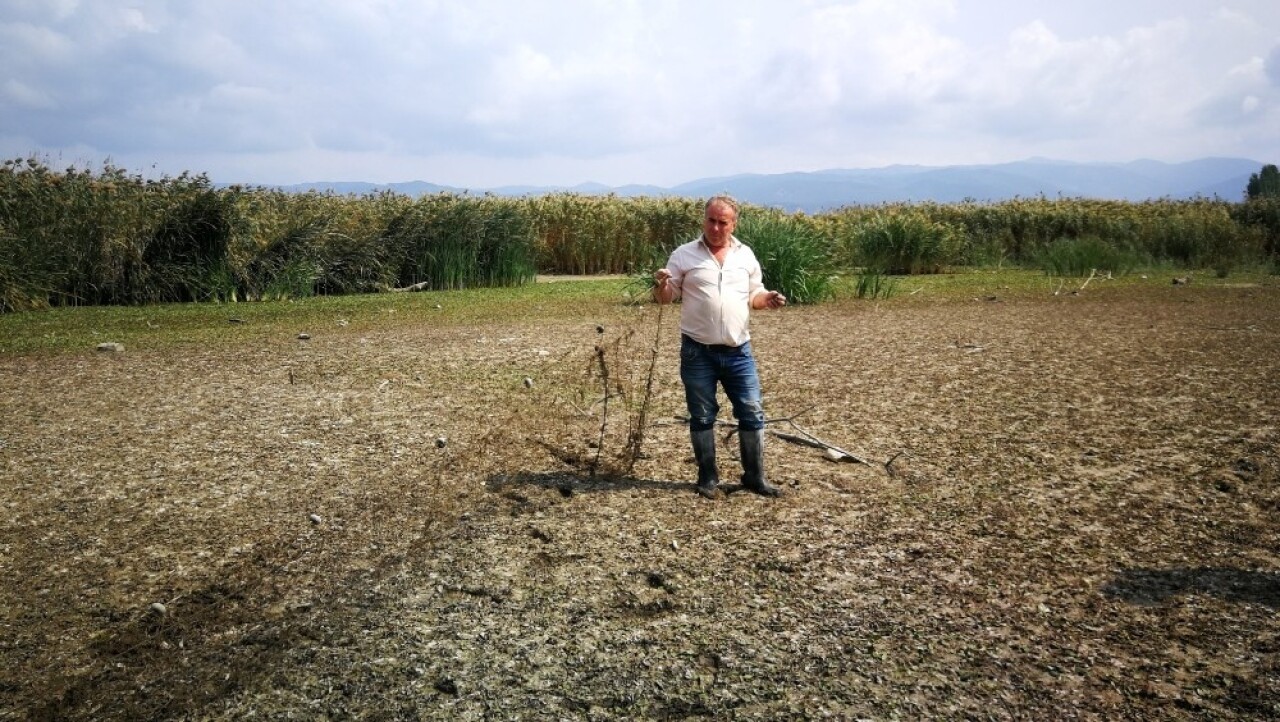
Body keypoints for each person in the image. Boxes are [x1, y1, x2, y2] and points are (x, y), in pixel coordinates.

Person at [654, 195, 787, 499]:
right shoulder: (684, 254)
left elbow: (755, 295)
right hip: (697, 351)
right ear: (704, 220)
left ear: (733, 224)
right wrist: (661, 284)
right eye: (711, 220)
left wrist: (766, 300)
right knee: (701, 415)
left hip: (739, 351)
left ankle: (754, 477)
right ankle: (708, 477)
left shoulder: (746, 256)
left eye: (722, 222)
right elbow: (666, 297)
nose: (715, 227)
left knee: (752, 412)